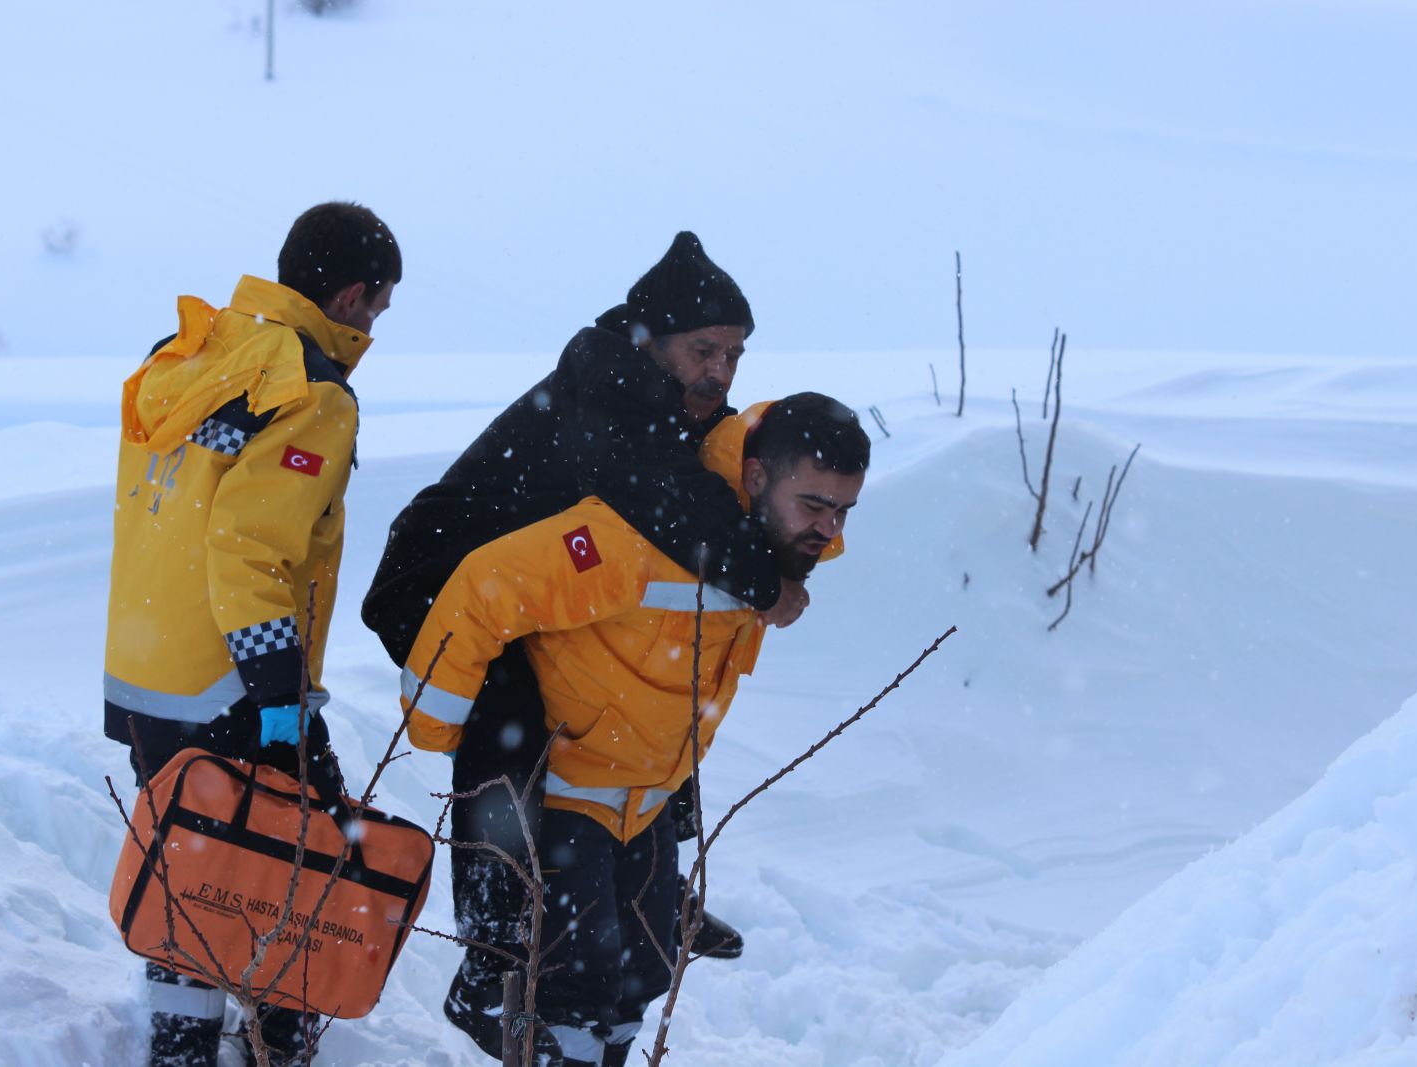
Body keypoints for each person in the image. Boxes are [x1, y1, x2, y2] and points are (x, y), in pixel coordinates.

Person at [361, 232, 802, 1058]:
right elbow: (656, 501)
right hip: (437, 579)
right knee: (515, 720)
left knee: (648, 684)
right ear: (652, 336)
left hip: (524, 590)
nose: (721, 371)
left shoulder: (662, 400)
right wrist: (763, 578)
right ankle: (492, 955)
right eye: (704, 349)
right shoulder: (608, 383)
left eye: (736, 355)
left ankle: (655, 889)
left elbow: (688, 498)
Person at [401, 393, 871, 1066]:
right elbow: (485, 585)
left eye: (843, 509)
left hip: (649, 801)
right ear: (758, 477)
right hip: (568, 794)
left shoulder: (768, 541)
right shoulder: (637, 537)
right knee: (571, 982)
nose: (828, 529)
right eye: (814, 505)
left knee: (643, 972)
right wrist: (436, 723)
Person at [102, 201, 400, 1067]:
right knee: (293, 863)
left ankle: (182, 1044)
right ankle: (276, 1044)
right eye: (378, 308)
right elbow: (247, 547)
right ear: (351, 295)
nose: (375, 326)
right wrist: (278, 694)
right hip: (233, 678)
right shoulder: (309, 390)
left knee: (191, 858)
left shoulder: (192, 349)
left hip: (146, 667)